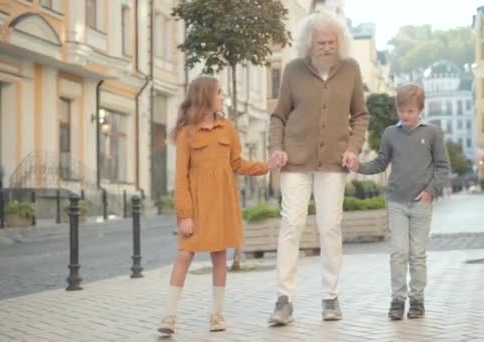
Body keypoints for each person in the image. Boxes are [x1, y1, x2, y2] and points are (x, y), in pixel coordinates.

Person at [266, 10, 369, 325]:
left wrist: (352, 150)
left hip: (333, 163)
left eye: (331, 42)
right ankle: (284, 300)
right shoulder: (293, 70)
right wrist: (276, 149)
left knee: (330, 228)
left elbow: (360, 115)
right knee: (291, 226)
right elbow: (279, 116)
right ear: (308, 44)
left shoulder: (351, 69)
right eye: (321, 42)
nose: (327, 47)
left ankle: (330, 298)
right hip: (295, 161)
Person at [158, 75, 274, 335]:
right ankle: (168, 315)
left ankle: (217, 315)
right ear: (205, 96)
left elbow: (238, 164)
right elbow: (181, 177)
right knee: (184, 254)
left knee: (220, 257)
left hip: (222, 203)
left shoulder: (228, 129)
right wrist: (185, 215)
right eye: (219, 92)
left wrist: (267, 165)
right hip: (197, 206)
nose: (223, 96)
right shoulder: (186, 132)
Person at [348, 82, 450, 320]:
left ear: (420, 109)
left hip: (421, 203)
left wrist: (430, 191)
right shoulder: (390, 134)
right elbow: (381, 163)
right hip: (396, 202)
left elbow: (443, 166)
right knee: (398, 252)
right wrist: (359, 166)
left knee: (417, 254)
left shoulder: (432, 133)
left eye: (410, 111)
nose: (405, 115)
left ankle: (417, 300)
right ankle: (397, 300)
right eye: (402, 111)